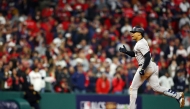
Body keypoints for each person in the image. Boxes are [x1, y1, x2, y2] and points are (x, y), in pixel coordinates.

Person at [119, 26, 185, 109]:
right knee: (156, 88)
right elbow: (135, 54)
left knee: (133, 88)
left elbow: (147, 57)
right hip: (151, 66)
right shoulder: (141, 42)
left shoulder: (140, 44)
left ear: (139, 34)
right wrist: (126, 52)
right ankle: (177, 95)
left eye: (134, 32)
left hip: (145, 66)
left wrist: (143, 69)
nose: (132, 34)